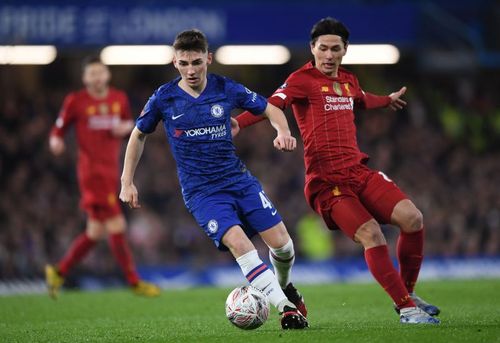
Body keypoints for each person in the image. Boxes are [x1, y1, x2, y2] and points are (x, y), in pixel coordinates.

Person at [234, 17, 440, 324]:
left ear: (345, 50)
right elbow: (270, 105)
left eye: (335, 49)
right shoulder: (301, 79)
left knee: (413, 218)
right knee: (371, 234)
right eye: (323, 48)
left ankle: (407, 295)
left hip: (358, 172)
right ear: (312, 49)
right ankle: (408, 311)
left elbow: (360, 99)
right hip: (327, 183)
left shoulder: (348, 80)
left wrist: (386, 101)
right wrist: (238, 123)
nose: (329, 55)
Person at [119, 29, 308, 329]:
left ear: (208, 58)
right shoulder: (164, 98)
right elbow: (138, 135)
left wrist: (282, 131)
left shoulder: (226, 88)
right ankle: (286, 308)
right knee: (239, 242)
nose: (191, 70)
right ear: (175, 62)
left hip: (238, 181)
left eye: (196, 62)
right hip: (202, 193)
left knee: (283, 246)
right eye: (184, 63)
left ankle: (285, 287)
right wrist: (126, 181)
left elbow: (271, 108)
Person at [45, 56, 160, 298]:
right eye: (92, 74)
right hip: (92, 173)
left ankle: (59, 271)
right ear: (85, 78)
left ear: (107, 75)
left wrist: (125, 127)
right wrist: (55, 140)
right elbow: (59, 128)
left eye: (100, 73)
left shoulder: (118, 99)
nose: (97, 78)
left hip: (111, 170)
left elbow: (133, 123)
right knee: (118, 225)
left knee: (95, 232)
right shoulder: (75, 101)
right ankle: (133, 281)